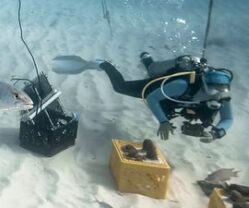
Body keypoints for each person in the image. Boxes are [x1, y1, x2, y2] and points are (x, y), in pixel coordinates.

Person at [94, 53, 234, 142]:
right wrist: (163, 122)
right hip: (162, 89)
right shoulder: (182, 84)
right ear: (204, 83)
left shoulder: (222, 96)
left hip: (180, 101)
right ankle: (106, 64)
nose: (216, 93)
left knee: (209, 113)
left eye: (221, 89)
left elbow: (228, 118)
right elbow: (151, 98)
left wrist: (218, 132)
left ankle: (147, 60)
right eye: (213, 88)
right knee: (120, 87)